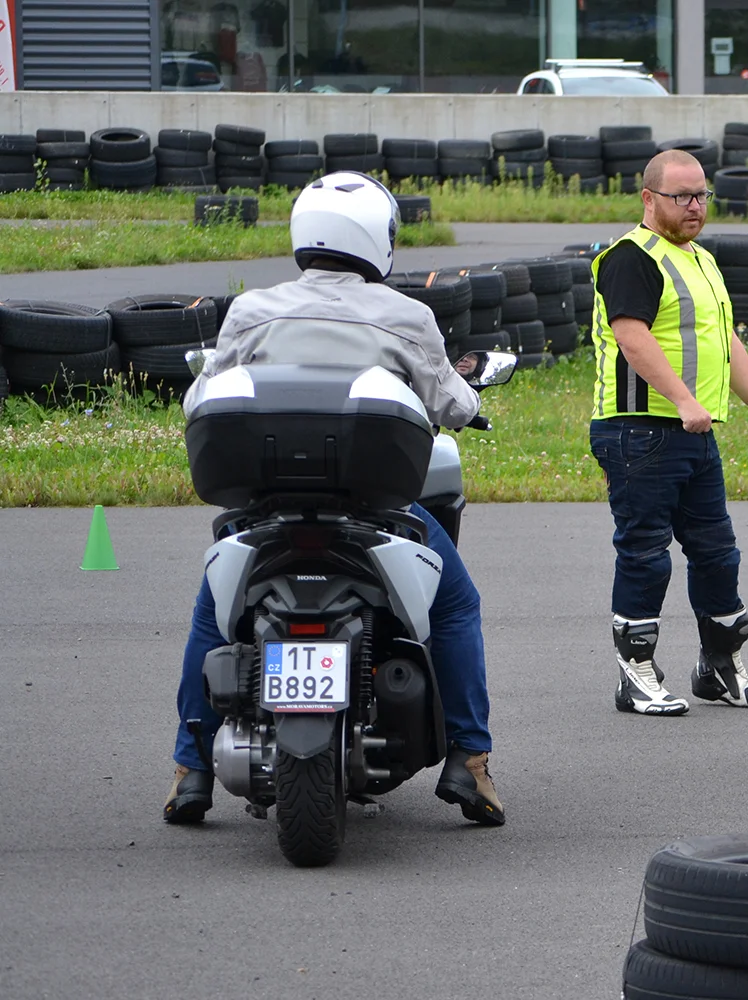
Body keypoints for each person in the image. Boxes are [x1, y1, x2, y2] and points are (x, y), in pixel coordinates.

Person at [165, 172, 505, 826]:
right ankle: (471, 760)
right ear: (381, 239)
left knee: (214, 608)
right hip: (373, 514)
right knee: (457, 602)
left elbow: (197, 398)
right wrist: (471, 402)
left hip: (267, 514)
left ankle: (190, 769)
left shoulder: (253, 310)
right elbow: (451, 403)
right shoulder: (407, 315)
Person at [590, 149, 748, 718]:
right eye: (682, 197)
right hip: (638, 431)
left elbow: (726, 342)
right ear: (649, 199)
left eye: (701, 195)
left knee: (717, 554)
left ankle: (719, 666)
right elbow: (633, 337)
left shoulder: (699, 258)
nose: (695, 206)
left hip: (692, 433)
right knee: (646, 554)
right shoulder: (629, 257)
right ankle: (636, 674)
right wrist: (683, 400)